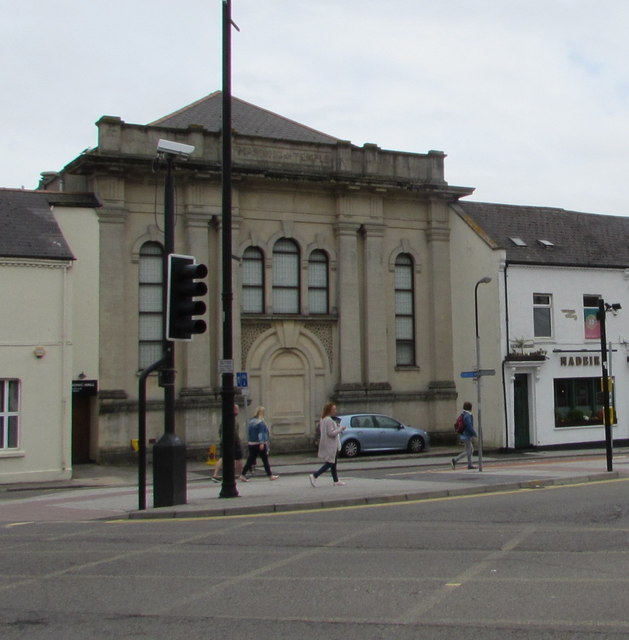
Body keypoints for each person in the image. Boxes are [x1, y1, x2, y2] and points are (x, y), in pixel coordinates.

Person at [309, 402, 347, 487]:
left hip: (328, 443)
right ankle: (315, 475)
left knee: (333, 462)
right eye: (334, 409)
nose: (335, 411)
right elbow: (331, 433)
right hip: (331, 444)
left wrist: (336, 426)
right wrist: (340, 429)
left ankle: (336, 480)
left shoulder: (323, 419)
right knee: (330, 463)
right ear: (329, 410)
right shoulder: (329, 420)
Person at [240, 406, 279, 481]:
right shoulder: (260, 422)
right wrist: (262, 443)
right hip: (259, 443)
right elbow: (261, 433)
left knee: (250, 460)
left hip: (251, 443)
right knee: (265, 460)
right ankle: (270, 475)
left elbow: (249, 433)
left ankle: (243, 474)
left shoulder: (251, 421)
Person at [211, 404, 244, 482]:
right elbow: (235, 432)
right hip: (233, 441)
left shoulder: (225, 419)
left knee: (222, 457)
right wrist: (238, 440)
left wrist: (222, 438)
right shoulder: (233, 420)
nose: (238, 411)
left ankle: (215, 474)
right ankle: (241, 474)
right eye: (237, 409)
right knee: (238, 458)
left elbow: (220, 430)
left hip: (224, 441)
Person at [451, 401, 478, 470]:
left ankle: (468, 464)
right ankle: (456, 460)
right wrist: (474, 433)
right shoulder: (467, 415)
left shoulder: (463, 414)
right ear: (470, 408)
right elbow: (469, 426)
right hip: (466, 435)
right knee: (469, 450)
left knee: (470, 450)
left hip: (464, 435)